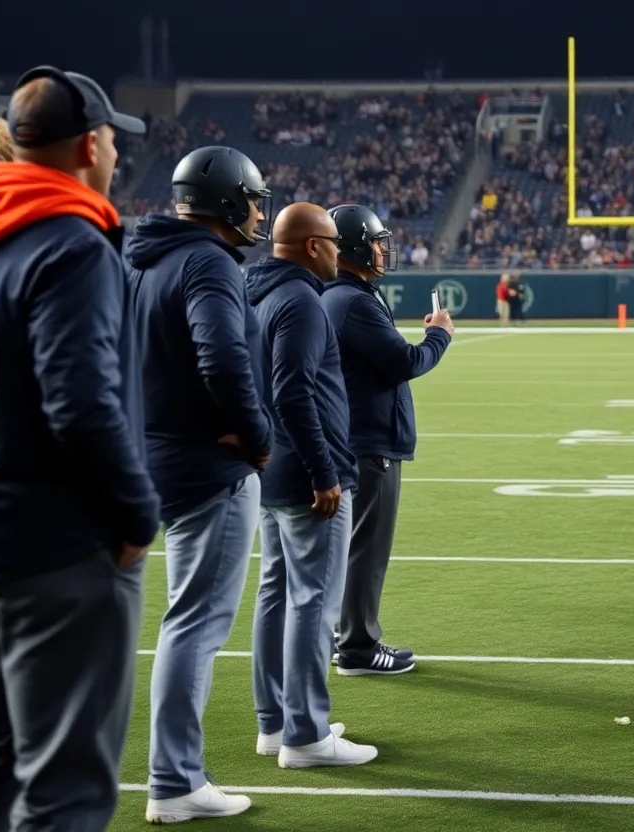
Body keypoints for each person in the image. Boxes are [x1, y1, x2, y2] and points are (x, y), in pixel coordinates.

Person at [0, 66, 158, 832]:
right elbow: (82, 405)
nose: (118, 151)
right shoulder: (73, 245)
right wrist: (137, 513)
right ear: (90, 143)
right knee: (66, 792)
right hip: (54, 550)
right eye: (114, 138)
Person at [127, 145, 274, 823]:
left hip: (152, 456)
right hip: (206, 466)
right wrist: (258, 438)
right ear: (226, 200)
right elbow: (221, 356)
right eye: (252, 199)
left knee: (175, 621)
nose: (258, 212)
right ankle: (175, 779)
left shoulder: (145, 261)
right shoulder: (208, 262)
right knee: (194, 624)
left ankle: (170, 774)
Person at [247, 203, 375, 768]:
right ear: (312, 247)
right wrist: (325, 472)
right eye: (331, 240)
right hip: (306, 476)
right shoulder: (300, 300)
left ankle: (275, 723)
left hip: (270, 470)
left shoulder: (255, 293)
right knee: (313, 603)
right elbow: (294, 392)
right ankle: (305, 734)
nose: (339, 250)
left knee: (275, 595)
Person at [322, 204, 453, 676]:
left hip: (354, 436)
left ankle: (347, 638)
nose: (383, 249)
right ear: (355, 245)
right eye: (377, 241)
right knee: (367, 549)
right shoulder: (354, 301)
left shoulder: (341, 295)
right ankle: (356, 645)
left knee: (355, 547)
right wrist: (438, 336)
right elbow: (404, 363)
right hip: (368, 442)